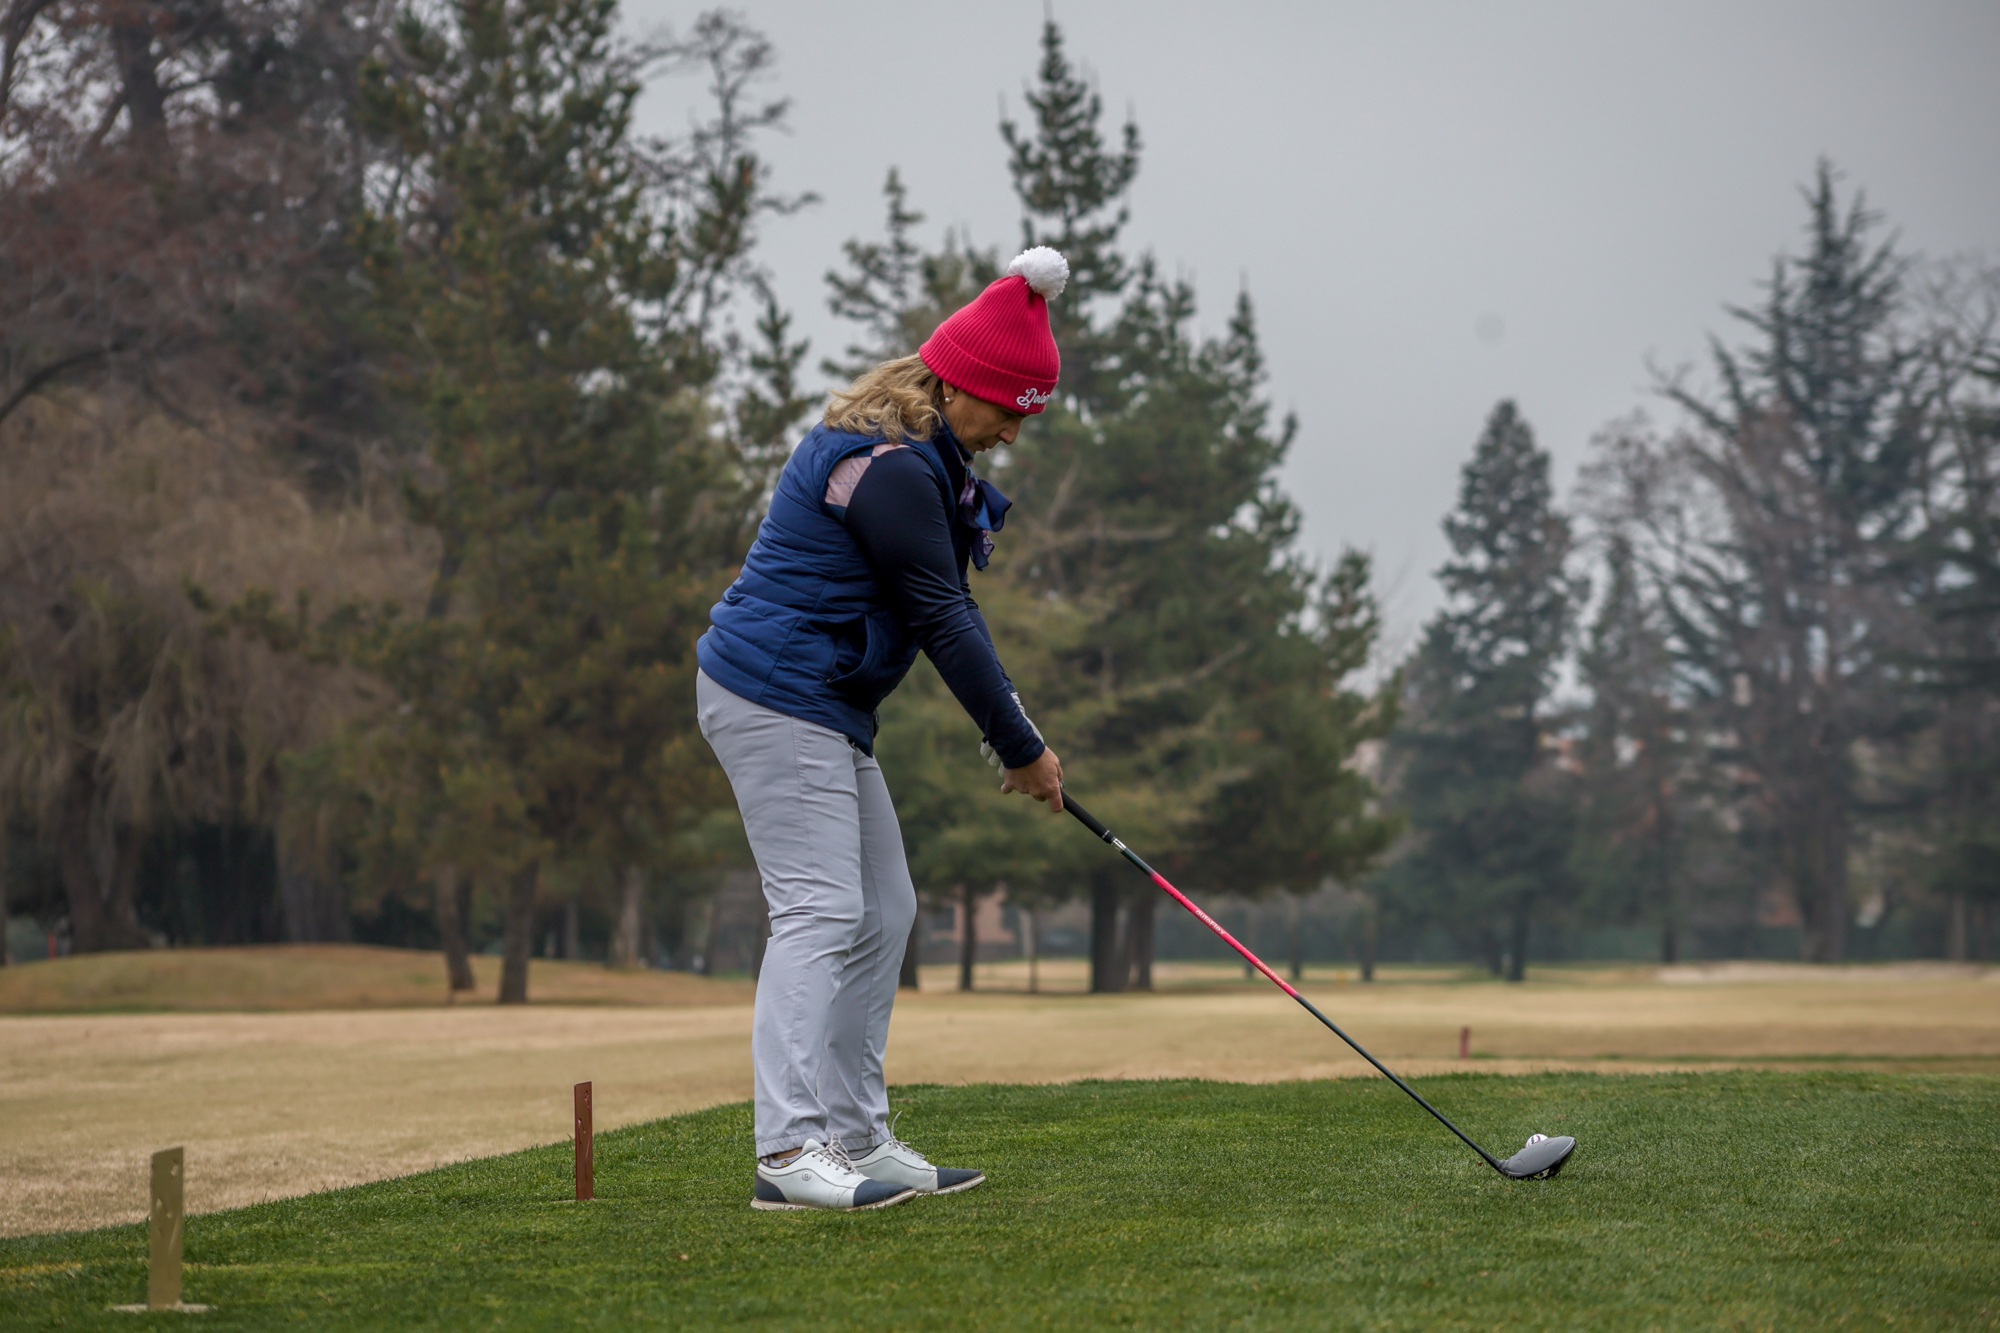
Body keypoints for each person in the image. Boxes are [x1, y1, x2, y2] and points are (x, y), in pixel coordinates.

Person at [695, 247, 1072, 1212]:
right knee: (822, 910)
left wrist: (1016, 733)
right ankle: (788, 1153)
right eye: (1008, 410)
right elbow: (945, 617)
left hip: (822, 704)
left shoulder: (921, 454)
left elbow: (950, 611)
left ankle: (856, 1136)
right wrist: (1022, 747)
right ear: (960, 384)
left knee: (887, 908)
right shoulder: (891, 467)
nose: (1011, 433)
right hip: (776, 694)